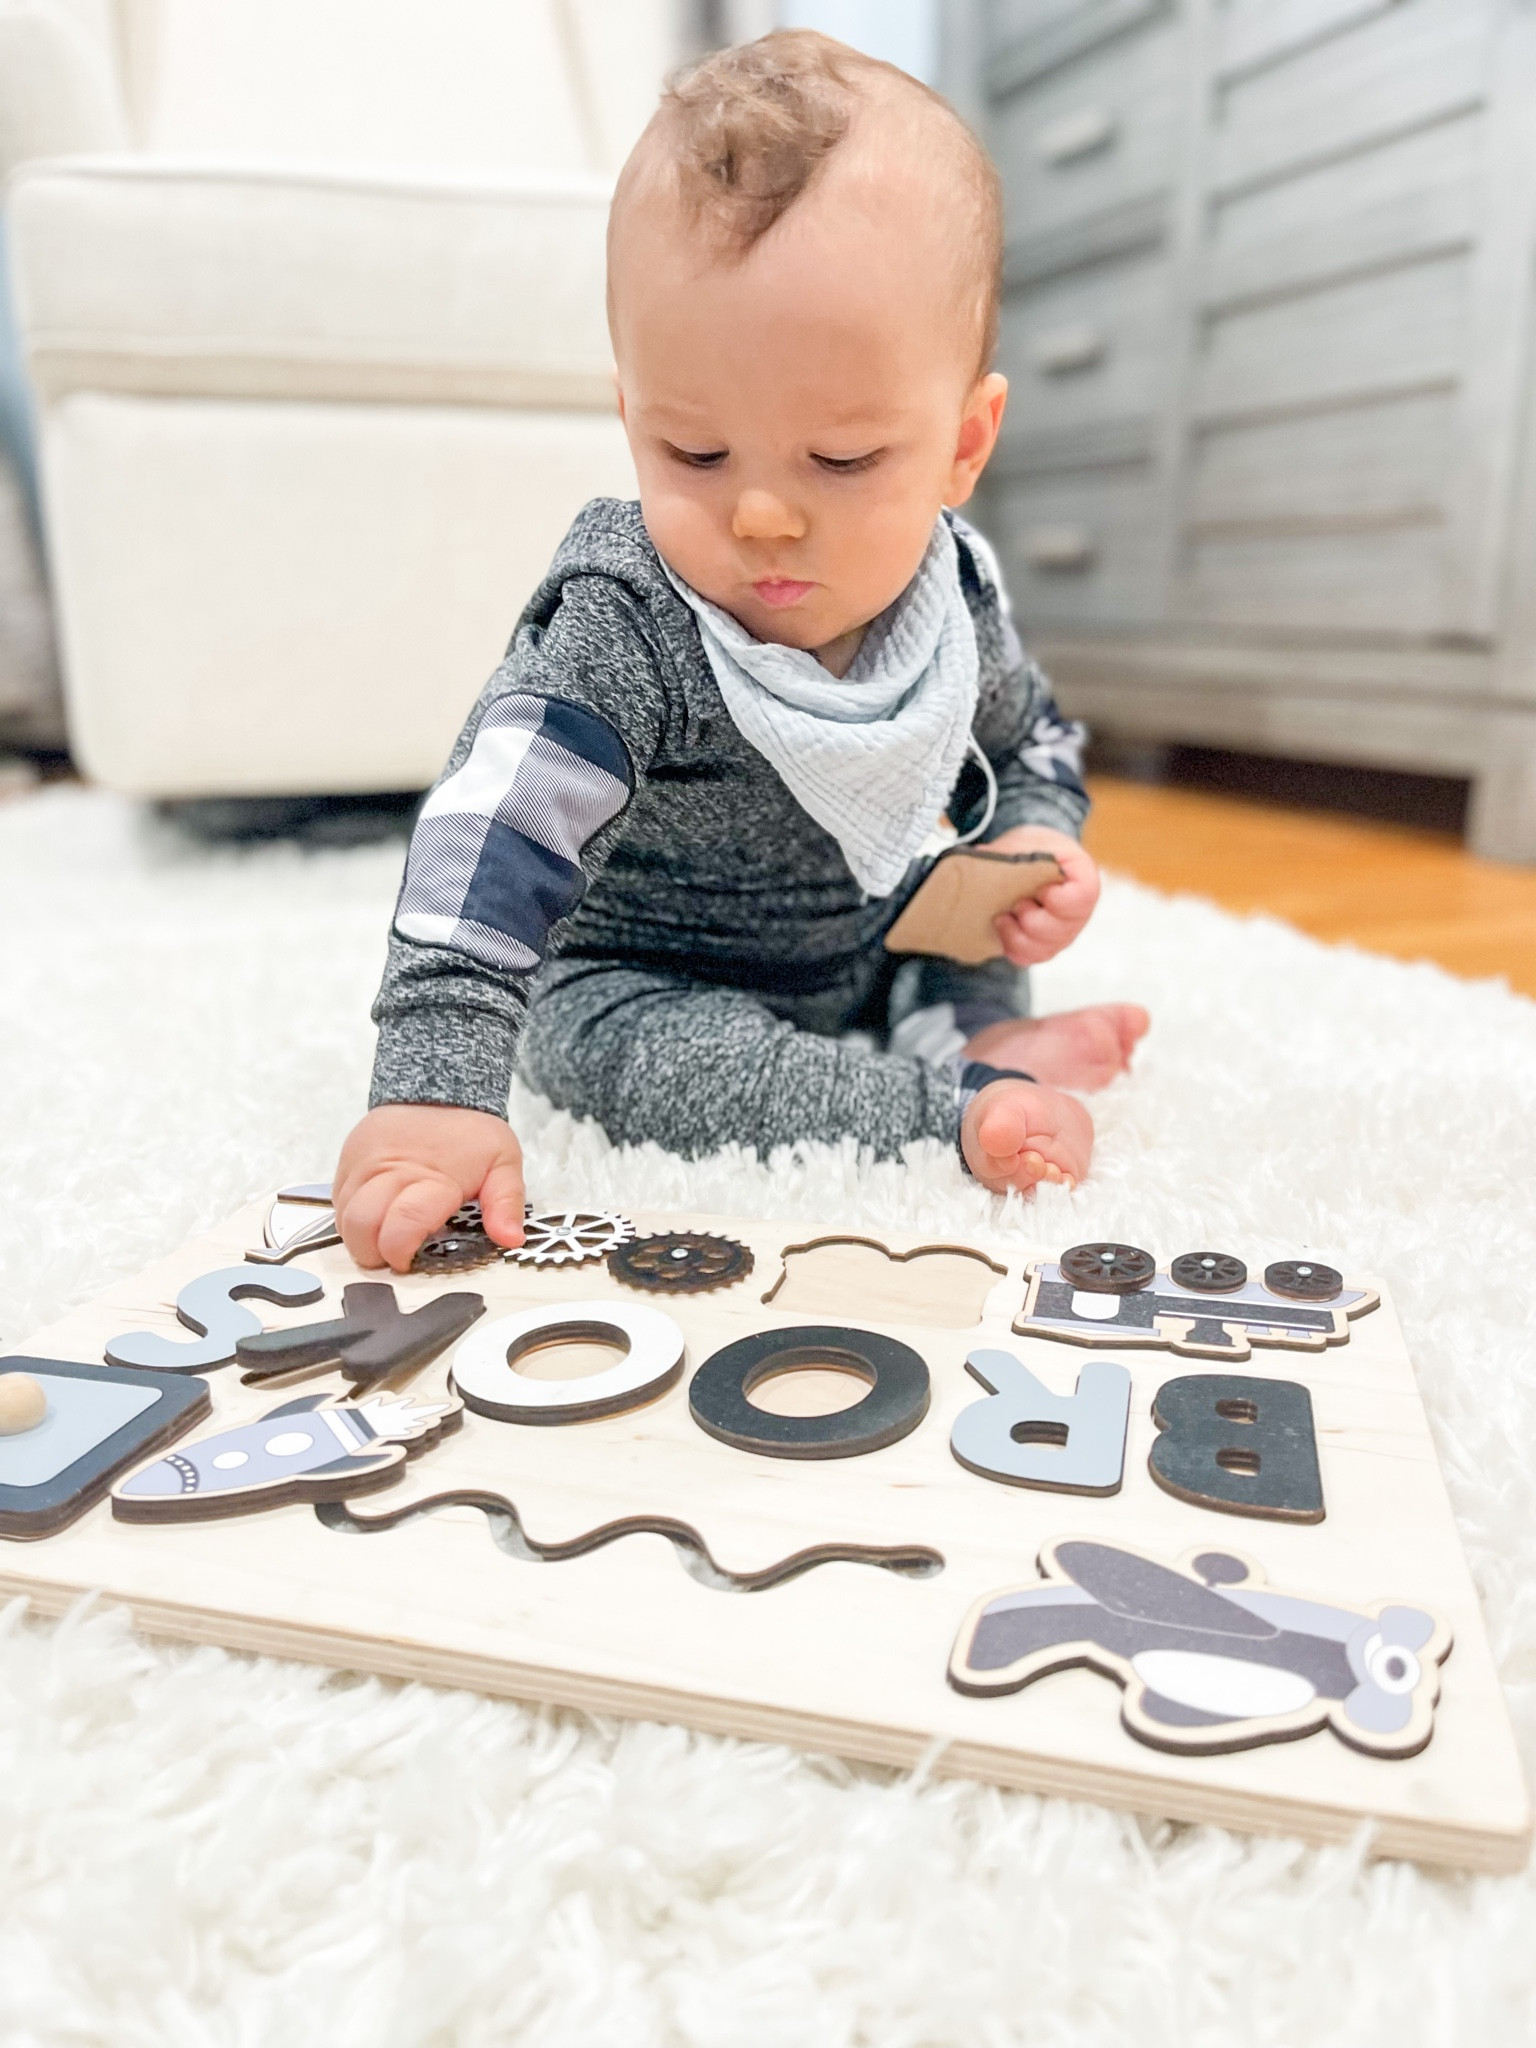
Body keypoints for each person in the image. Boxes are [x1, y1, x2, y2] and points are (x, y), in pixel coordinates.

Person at [335, 30, 1148, 1273]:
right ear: (631, 414)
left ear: (963, 445)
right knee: (624, 1052)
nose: (764, 516)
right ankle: (944, 1105)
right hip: (648, 969)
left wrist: (1037, 839)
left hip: (869, 939)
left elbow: (1026, 737)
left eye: (842, 461)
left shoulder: (952, 601)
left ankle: (975, 1032)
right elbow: (487, 839)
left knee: (957, 931)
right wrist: (434, 1085)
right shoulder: (626, 623)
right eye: (696, 456)